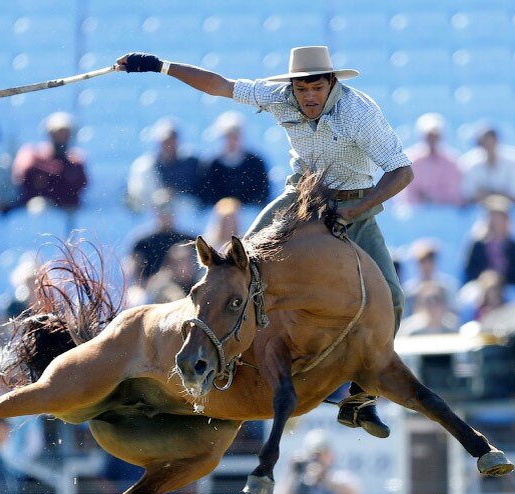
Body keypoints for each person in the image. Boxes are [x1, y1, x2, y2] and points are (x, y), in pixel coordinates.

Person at [117, 45, 414, 438]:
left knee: (392, 297)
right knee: (235, 268)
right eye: (302, 89)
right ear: (291, 87)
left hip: (354, 205)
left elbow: (402, 172)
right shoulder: (278, 96)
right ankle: (222, 363)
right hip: (299, 200)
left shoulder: (360, 113)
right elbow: (218, 86)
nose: (309, 97)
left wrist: (354, 212)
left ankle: (360, 398)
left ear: (332, 84)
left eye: (317, 88)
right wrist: (160, 65)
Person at [274, 429, 360, 494]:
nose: (316, 458)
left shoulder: (340, 477)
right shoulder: (298, 481)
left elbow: (353, 493)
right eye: (313, 454)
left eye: (320, 454)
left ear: (331, 455)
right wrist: (292, 472)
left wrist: (323, 476)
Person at [12, 111, 88, 212]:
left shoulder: (76, 161)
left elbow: (78, 189)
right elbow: (21, 181)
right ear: (49, 134)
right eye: (56, 134)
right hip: (35, 210)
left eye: (65, 134)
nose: (61, 138)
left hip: (64, 209)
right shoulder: (33, 155)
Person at [196, 111, 270, 208]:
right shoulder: (210, 164)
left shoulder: (255, 163)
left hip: (249, 214)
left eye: (235, 137)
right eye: (227, 137)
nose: (231, 141)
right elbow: (204, 196)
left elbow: (262, 194)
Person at [127, 117, 200, 213]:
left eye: (172, 139)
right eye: (165, 141)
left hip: (183, 219)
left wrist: (176, 194)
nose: (169, 144)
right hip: (152, 218)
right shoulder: (144, 167)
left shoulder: (191, 163)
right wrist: (159, 198)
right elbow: (136, 200)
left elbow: (198, 198)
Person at [463, 195, 515, 289]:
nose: (497, 221)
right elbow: (470, 271)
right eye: (494, 217)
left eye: (500, 217)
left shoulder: (514, 246)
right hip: (481, 287)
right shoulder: (478, 244)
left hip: (507, 288)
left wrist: (500, 282)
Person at [129, 189, 193, 281]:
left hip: (184, 290)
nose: (167, 212)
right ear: (154, 210)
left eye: (170, 207)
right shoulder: (142, 242)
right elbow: (133, 270)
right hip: (149, 291)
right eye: (163, 208)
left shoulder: (189, 240)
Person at [459, 124, 515, 207]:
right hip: (480, 211)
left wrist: (489, 195)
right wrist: (499, 195)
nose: (488, 147)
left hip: (511, 212)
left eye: (491, 142)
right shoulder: (469, 162)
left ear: (497, 141)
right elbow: (468, 195)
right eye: (484, 143)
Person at [402, 113, 463, 206]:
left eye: (435, 136)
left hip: (445, 213)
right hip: (418, 213)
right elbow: (407, 195)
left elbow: (454, 194)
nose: (432, 139)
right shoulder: (411, 161)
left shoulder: (452, 162)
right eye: (429, 136)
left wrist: (437, 201)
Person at [402, 238, 458, 316]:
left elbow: (454, 316)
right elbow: (404, 319)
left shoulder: (448, 288)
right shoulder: (408, 292)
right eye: (422, 261)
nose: (427, 265)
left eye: (431, 259)